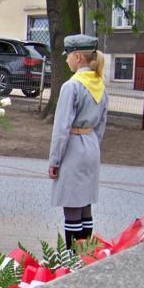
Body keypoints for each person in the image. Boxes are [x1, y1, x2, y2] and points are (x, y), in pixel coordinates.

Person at [49, 34, 108, 249]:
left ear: (77, 57)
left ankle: (72, 257)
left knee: (72, 204)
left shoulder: (71, 86)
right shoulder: (99, 84)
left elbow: (61, 127)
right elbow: (102, 123)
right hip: (91, 144)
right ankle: (87, 254)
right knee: (85, 206)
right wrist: (92, 143)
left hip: (73, 146)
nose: (66, 60)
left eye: (68, 56)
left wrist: (54, 160)